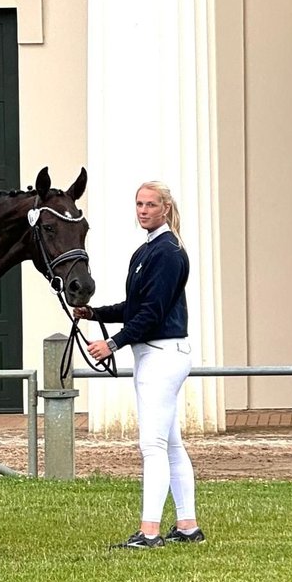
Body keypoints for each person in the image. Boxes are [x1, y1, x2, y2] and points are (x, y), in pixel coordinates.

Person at [73, 181, 205, 549]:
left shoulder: (168, 252)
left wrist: (112, 344)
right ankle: (188, 525)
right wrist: (93, 313)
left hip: (161, 354)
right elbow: (134, 307)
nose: (143, 210)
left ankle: (150, 532)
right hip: (156, 353)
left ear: (165, 208)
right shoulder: (147, 251)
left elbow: (151, 313)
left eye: (150, 204)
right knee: (171, 444)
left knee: (153, 445)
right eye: (139, 204)